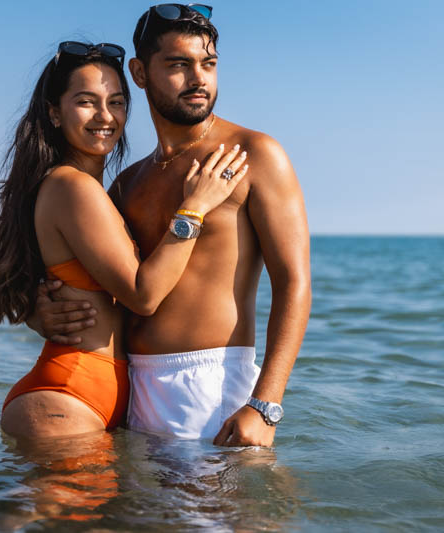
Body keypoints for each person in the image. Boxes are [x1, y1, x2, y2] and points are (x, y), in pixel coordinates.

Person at [32, 4, 311, 447]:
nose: (199, 79)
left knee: (219, 517)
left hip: (212, 384)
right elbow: (108, 283)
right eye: (179, 65)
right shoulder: (127, 183)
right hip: (132, 388)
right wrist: (37, 313)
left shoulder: (252, 154)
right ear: (140, 73)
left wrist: (266, 404)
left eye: (208, 63)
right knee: (136, 519)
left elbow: (293, 282)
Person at [0, 39, 247, 439]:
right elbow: (143, 295)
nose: (106, 116)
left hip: (92, 399)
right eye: (87, 101)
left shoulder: (99, 192)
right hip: (66, 398)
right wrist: (195, 208)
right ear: (53, 112)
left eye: (117, 102)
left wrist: (36, 312)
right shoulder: (72, 187)